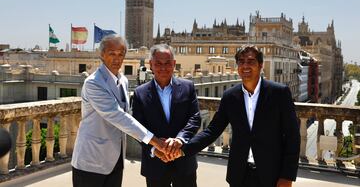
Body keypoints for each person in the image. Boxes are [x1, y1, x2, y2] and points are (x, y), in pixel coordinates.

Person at [180, 45, 300, 187]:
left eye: (251, 61)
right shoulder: (230, 96)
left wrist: (287, 176)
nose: (245, 66)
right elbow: (212, 131)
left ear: (260, 65)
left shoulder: (279, 93)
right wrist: (182, 149)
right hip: (239, 175)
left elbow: (293, 136)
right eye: (241, 62)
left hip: (272, 175)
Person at [71, 35, 166, 187]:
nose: (117, 58)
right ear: (102, 55)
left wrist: (153, 147)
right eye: (112, 53)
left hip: (115, 161)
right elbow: (117, 116)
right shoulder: (93, 83)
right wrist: (155, 140)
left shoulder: (123, 80)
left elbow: (127, 120)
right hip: (91, 162)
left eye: (120, 54)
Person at [132, 44, 201, 187]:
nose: (163, 67)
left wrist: (180, 140)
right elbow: (138, 128)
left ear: (174, 64)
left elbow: (194, 118)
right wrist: (154, 148)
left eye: (167, 63)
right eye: (158, 63)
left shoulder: (188, 87)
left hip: (184, 162)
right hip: (155, 165)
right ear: (151, 65)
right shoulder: (140, 93)